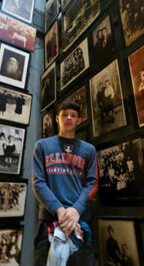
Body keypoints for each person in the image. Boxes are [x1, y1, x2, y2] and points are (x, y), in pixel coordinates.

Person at [32, 101, 98, 266]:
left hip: (80, 220)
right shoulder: (42, 146)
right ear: (57, 118)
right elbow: (38, 183)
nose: (68, 118)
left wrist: (76, 210)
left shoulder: (88, 150)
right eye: (64, 115)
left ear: (79, 120)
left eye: (73, 115)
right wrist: (60, 211)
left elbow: (93, 184)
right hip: (49, 218)